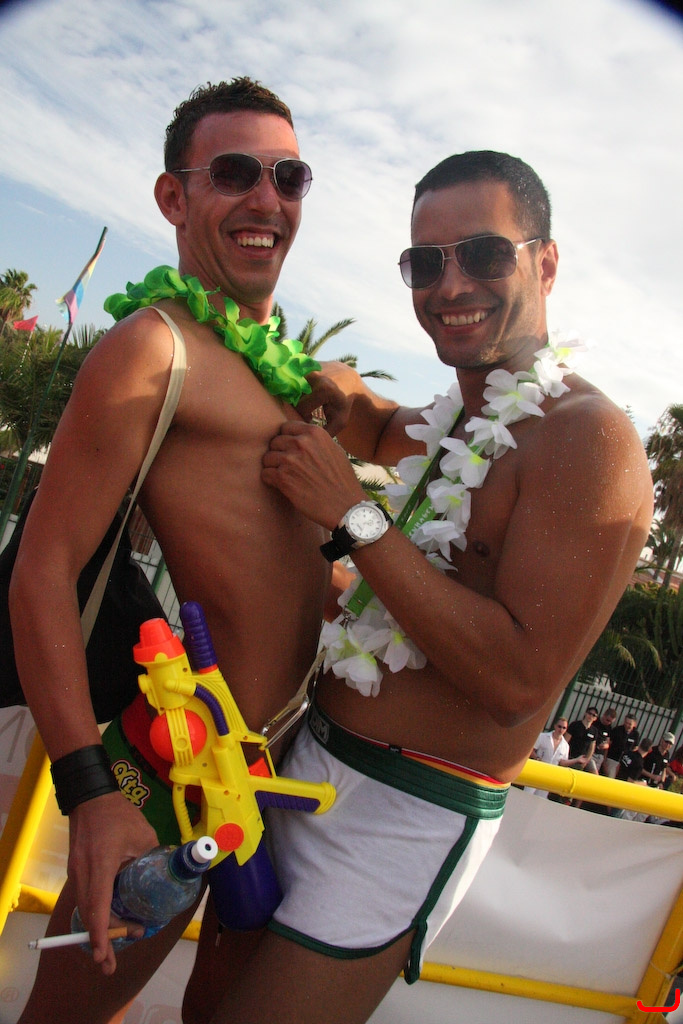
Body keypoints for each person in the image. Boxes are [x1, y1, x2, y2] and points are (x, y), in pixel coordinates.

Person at [235, 150, 654, 1024]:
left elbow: (516, 680)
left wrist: (352, 516)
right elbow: (376, 422)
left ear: (544, 262)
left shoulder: (587, 439)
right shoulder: (460, 419)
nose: (449, 283)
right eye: (424, 262)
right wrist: (326, 388)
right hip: (304, 760)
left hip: (403, 813)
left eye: (484, 253)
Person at [9, 78, 340, 1024]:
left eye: (288, 177)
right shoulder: (154, 349)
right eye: (234, 173)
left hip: (284, 769)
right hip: (178, 771)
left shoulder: (283, 373)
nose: (266, 198)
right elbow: (43, 570)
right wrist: (89, 792)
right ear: (173, 196)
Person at [525, 717, 588, 798]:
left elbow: (562, 762)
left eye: (564, 728)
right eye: (559, 726)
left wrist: (576, 760)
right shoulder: (543, 736)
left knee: (540, 799)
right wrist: (537, 758)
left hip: (550, 776)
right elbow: (530, 750)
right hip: (537, 771)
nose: (561, 729)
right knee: (527, 795)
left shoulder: (565, 746)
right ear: (555, 726)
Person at [603, 713, 639, 779]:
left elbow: (635, 748)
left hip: (625, 763)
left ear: (634, 724)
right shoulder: (617, 730)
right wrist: (604, 761)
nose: (627, 725)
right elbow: (608, 745)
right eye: (626, 723)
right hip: (613, 760)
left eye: (630, 724)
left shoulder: (635, 734)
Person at [587, 706, 617, 775]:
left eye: (611, 722)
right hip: (591, 752)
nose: (608, 723)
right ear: (604, 715)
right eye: (607, 720)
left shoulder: (609, 728)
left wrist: (606, 745)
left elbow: (608, 742)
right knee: (594, 773)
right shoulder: (595, 723)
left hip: (600, 755)